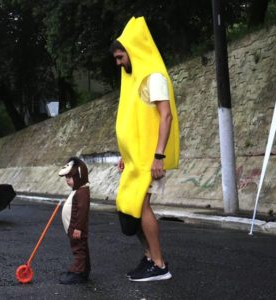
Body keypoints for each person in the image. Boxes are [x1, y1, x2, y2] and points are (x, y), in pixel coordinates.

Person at [110, 16, 180, 282]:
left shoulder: (154, 77)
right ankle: (150, 257)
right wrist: (125, 155)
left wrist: (159, 156)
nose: (119, 64)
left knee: (141, 205)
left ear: (133, 52)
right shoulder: (135, 79)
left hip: (151, 159)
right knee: (129, 207)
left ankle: (160, 264)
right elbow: (136, 121)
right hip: (136, 160)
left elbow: (166, 117)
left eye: (120, 58)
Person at [57, 157, 91, 284]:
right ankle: (84, 269)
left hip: (76, 227)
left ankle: (79, 272)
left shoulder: (82, 192)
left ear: (79, 176)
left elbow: (82, 211)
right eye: (66, 178)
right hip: (73, 226)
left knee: (78, 249)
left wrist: (78, 228)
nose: (67, 181)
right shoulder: (78, 190)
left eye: (70, 178)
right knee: (81, 248)